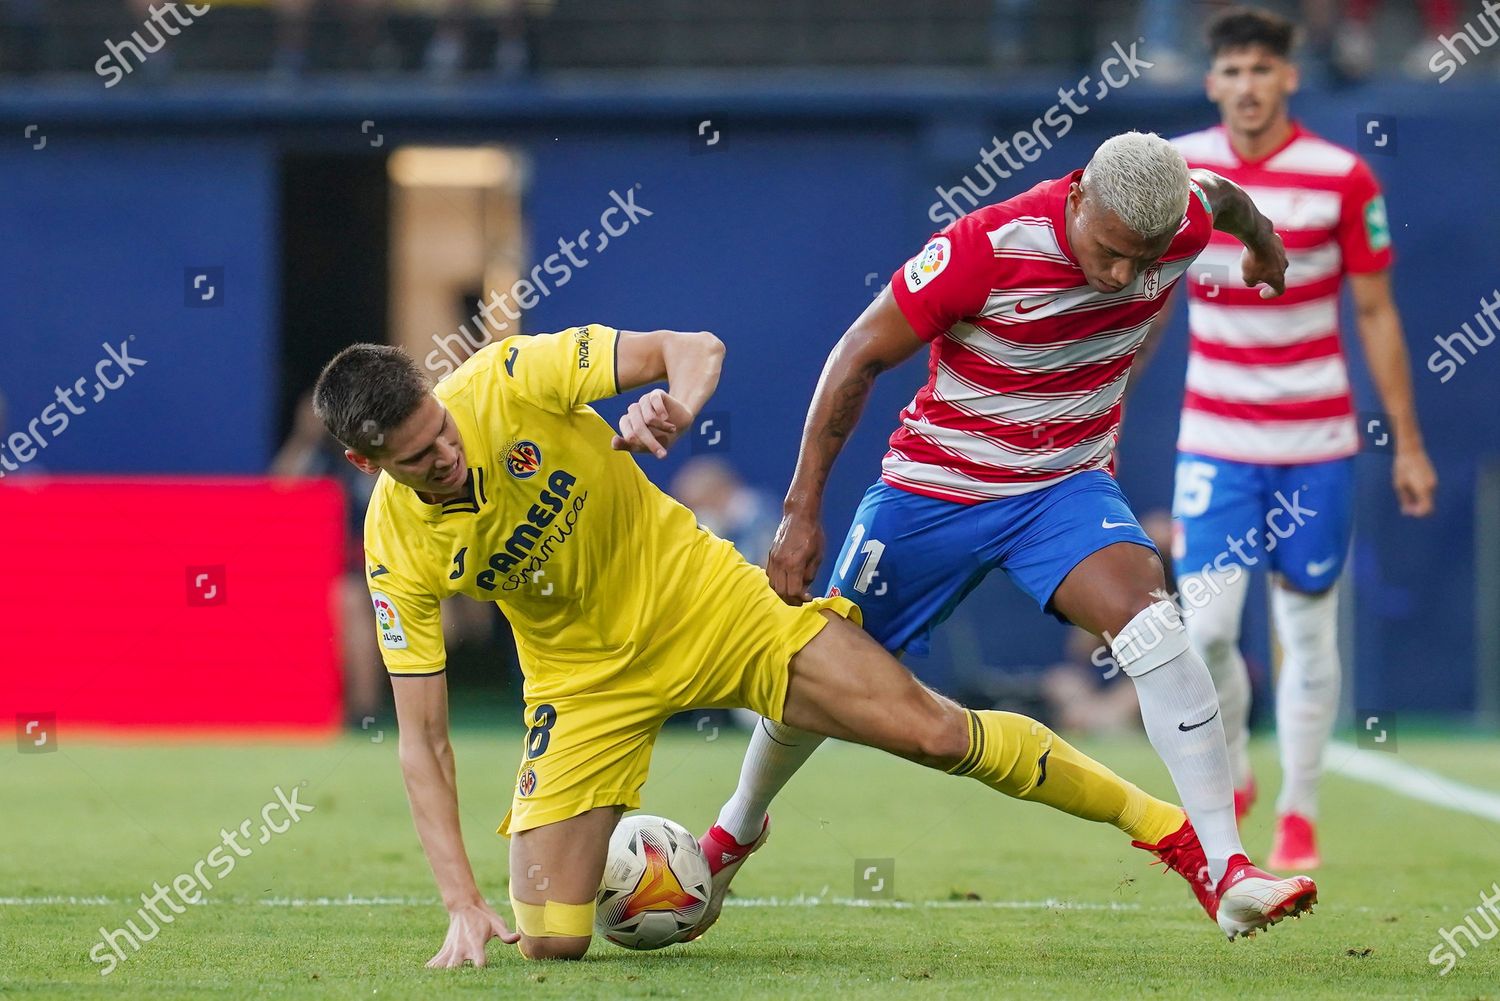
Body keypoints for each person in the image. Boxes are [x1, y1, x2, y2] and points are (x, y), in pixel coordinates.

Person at [311, 322, 1279, 966]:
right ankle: (669, 858)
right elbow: (422, 736)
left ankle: (1171, 829)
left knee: (937, 733)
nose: (447, 451)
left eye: (440, 427)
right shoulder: (393, 545)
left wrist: (675, 402)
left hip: (706, 602)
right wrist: (456, 898)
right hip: (582, 682)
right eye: (418, 455)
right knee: (550, 937)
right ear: (367, 464)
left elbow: (693, 346)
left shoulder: (511, 378)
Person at [707, 130, 1318, 942]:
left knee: (1154, 626)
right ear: (1077, 197)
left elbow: (1233, 202)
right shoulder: (986, 246)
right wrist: (800, 509)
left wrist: (1266, 251)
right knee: (823, 669)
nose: (1123, 277)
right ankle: (734, 829)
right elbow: (857, 356)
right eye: (1109, 252)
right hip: (933, 489)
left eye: (1144, 260)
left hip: (1062, 486)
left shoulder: (1188, 216)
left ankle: (1226, 868)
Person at [1145, 6, 1436, 870]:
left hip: (1316, 441)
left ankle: (1300, 808)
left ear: (1289, 77)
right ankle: (1235, 765)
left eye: (1261, 70)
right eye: (1231, 72)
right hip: (1217, 438)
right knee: (1208, 631)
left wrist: (1410, 445)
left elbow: (1377, 313)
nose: (1246, 87)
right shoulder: (1180, 171)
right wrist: (1103, 411)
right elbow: (1147, 299)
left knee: (1307, 631)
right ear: (1211, 83)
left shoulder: (1341, 176)